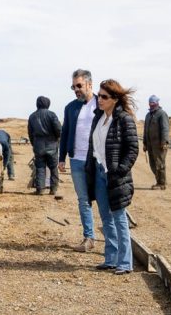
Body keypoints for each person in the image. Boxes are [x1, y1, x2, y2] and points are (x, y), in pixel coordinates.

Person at [85, 79, 139, 275]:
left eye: (104, 97)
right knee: (106, 217)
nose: (99, 99)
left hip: (115, 175)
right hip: (99, 173)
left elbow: (133, 149)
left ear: (115, 99)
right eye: (99, 96)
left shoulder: (124, 119)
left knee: (119, 218)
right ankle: (110, 259)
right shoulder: (98, 118)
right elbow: (94, 147)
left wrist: (120, 170)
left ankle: (125, 262)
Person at [58, 69, 98, 252]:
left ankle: (114, 242)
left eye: (79, 86)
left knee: (105, 201)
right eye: (73, 86)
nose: (76, 89)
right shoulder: (70, 107)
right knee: (83, 200)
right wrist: (62, 158)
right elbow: (65, 132)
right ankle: (89, 238)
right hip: (76, 160)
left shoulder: (101, 104)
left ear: (89, 84)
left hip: (97, 160)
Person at [28, 96, 62, 195]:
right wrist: (57, 139)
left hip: (38, 145)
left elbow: (30, 133)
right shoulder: (52, 115)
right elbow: (59, 129)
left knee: (40, 167)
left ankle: (40, 189)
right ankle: (53, 189)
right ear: (48, 103)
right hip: (52, 144)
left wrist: (34, 144)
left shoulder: (32, 116)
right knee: (53, 167)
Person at [143, 95, 170, 190]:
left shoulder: (161, 114)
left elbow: (165, 129)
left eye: (153, 103)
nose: (151, 104)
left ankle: (162, 183)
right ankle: (159, 181)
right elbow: (145, 130)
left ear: (157, 103)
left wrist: (164, 142)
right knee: (153, 164)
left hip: (159, 145)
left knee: (160, 164)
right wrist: (145, 143)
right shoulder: (148, 115)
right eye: (150, 103)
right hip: (150, 145)